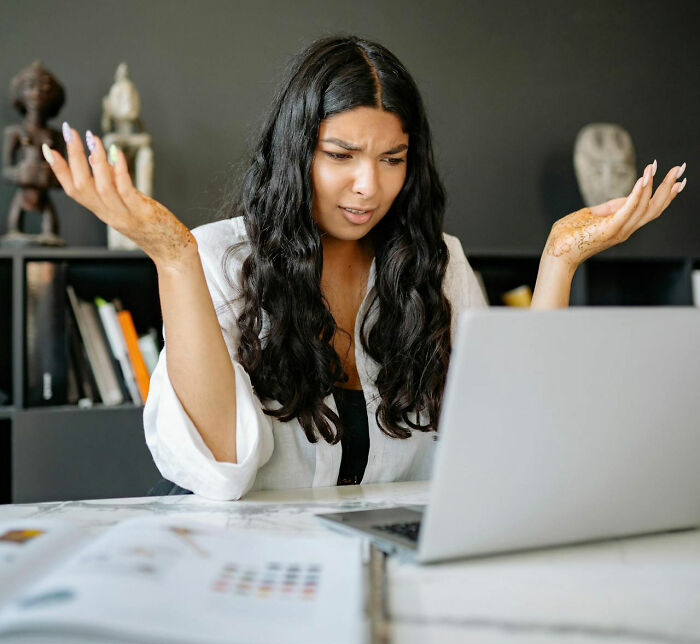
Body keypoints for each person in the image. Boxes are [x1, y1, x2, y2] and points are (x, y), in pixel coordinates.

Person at [41, 35, 687, 500]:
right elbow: (223, 467)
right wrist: (173, 256)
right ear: (298, 152)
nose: (367, 187)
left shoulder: (439, 266)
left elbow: (507, 449)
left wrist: (559, 259)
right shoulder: (218, 256)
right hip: (247, 568)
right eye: (341, 154)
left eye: (392, 158)